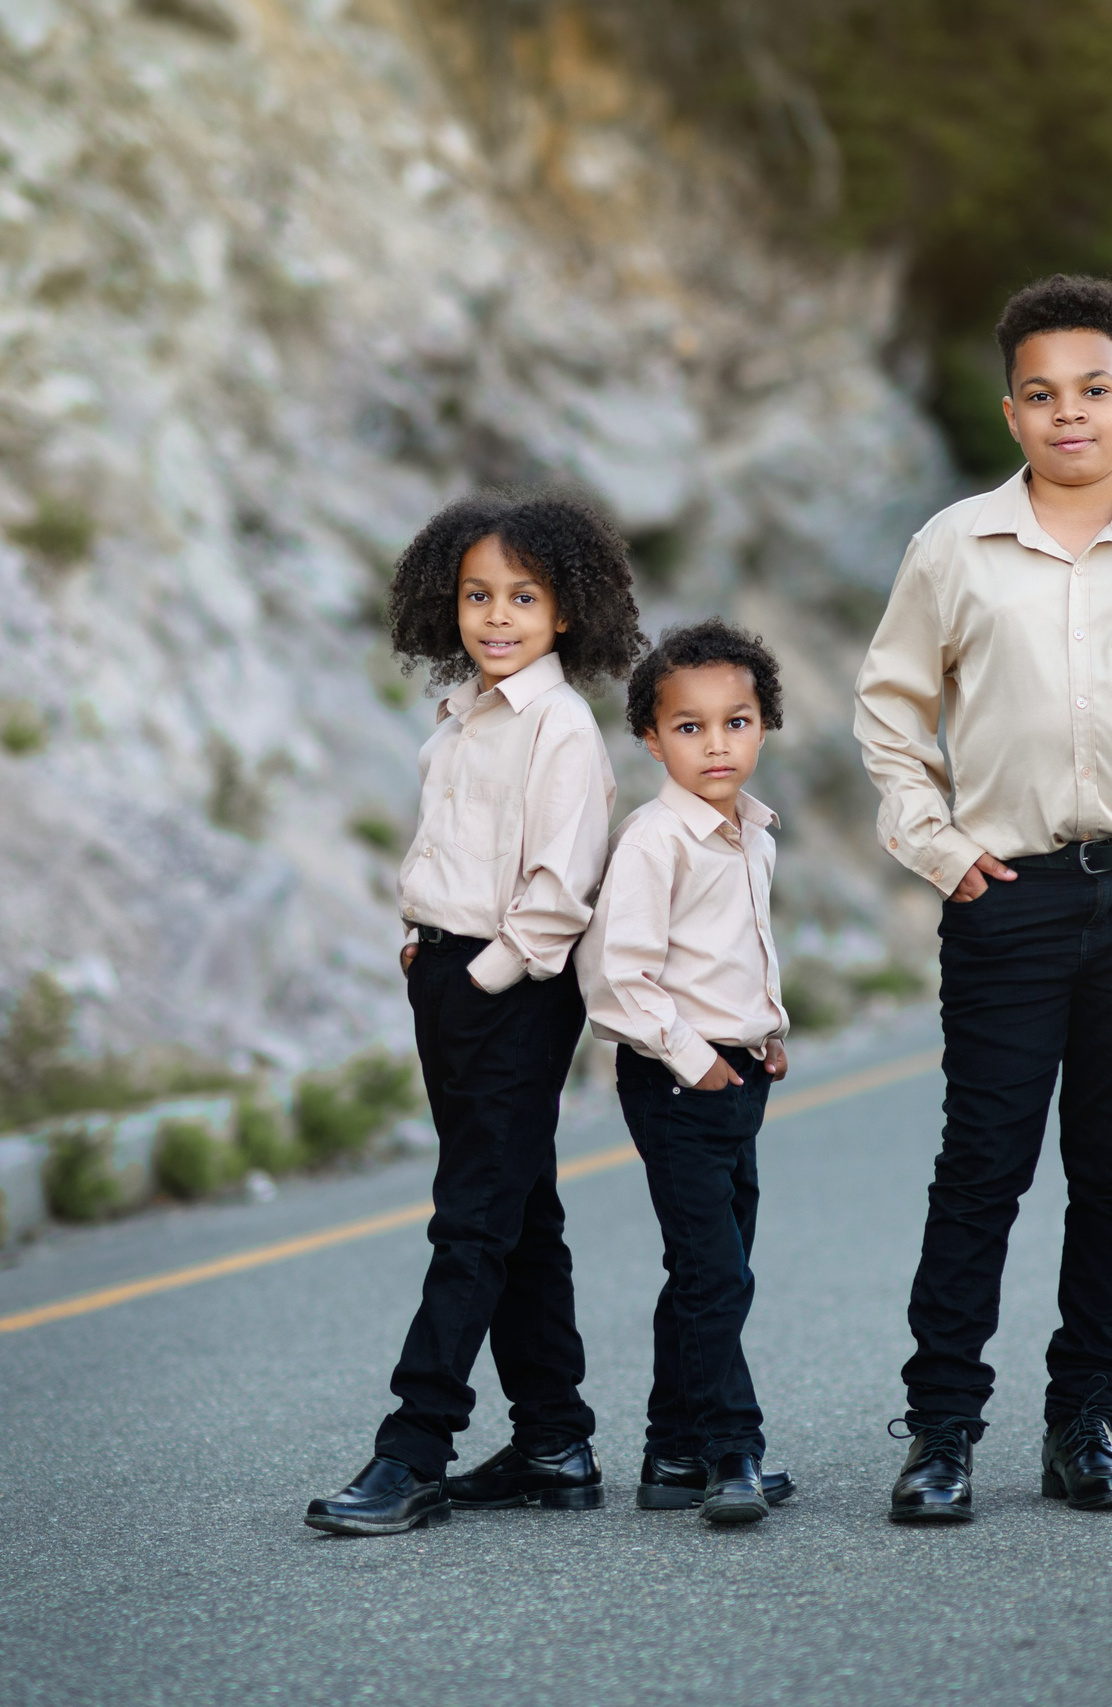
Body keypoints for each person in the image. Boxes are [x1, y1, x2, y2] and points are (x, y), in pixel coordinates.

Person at [853, 273, 1112, 1523]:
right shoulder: (954, 548)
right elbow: (888, 708)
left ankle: (1084, 1425)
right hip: (1007, 898)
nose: (1069, 415)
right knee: (979, 1166)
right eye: (1042, 396)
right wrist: (934, 845)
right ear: (1011, 413)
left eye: (1094, 391)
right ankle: (939, 1435)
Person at [304, 493, 645, 1537]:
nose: (496, 617)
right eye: (477, 596)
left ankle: (412, 1448)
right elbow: (449, 856)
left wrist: (480, 977)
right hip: (444, 976)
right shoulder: (461, 719)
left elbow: (556, 894)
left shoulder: (559, 729)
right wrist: (424, 944)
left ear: (567, 611)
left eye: (523, 598)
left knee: (471, 1221)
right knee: (518, 1210)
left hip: (509, 993)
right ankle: (553, 1440)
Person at [576, 620, 799, 1525]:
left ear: (764, 724)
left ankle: (670, 1452)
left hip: (737, 1075)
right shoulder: (653, 841)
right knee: (718, 1274)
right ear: (651, 737)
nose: (717, 744)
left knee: (711, 1266)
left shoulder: (755, 834)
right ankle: (729, 1448)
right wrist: (700, 1058)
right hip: (678, 1083)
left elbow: (738, 951)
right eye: (690, 727)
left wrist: (765, 1032)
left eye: (736, 722)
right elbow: (615, 977)